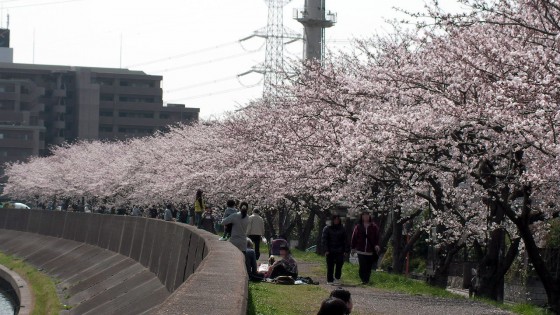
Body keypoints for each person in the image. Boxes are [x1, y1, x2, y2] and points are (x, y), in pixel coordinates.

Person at [351, 210, 380, 285]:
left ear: (370, 216)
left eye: (367, 215)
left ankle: (366, 280)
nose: (365, 217)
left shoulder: (373, 226)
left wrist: (377, 245)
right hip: (361, 249)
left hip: (370, 250)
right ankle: (363, 279)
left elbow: (377, 237)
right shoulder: (358, 226)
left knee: (368, 267)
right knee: (362, 265)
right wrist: (353, 247)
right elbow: (354, 237)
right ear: (361, 216)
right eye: (364, 215)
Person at [322, 214, 350, 285]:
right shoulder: (327, 228)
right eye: (335, 219)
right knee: (330, 265)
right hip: (330, 250)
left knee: (339, 265)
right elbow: (324, 240)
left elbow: (346, 240)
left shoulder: (342, 229)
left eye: (338, 219)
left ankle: (337, 277)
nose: (336, 221)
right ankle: (330, 280)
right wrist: (326, 250)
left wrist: (346, 250)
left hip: (340, 250)